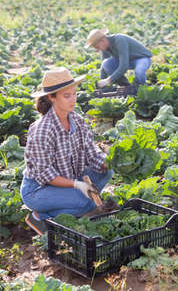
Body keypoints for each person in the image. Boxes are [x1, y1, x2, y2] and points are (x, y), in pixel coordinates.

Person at [21, 67, 113, 235]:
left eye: (74, 94)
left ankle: (73, 203)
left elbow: (92, 154)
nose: (73, 100)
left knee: (107, 171)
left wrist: (111, 161)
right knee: (86, 202)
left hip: (69, 177)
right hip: (38, 189)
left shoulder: (77, 120)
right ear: (51, 97)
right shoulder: (42, 130)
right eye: (66, 96)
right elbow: (45, 175)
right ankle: (39, 216)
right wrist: (77, 185)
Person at [85, 29, 152, 95]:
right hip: (128, 61)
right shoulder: (105, 47)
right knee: (106, 64)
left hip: (141, 58)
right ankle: (127, 86)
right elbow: (104, 66)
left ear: (103, 40)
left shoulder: (119, 40)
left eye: (97, 47)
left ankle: (143, 90)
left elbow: (124, 66)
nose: (97, 50)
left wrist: (109, 80)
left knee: (139, 71)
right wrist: (101, 86)